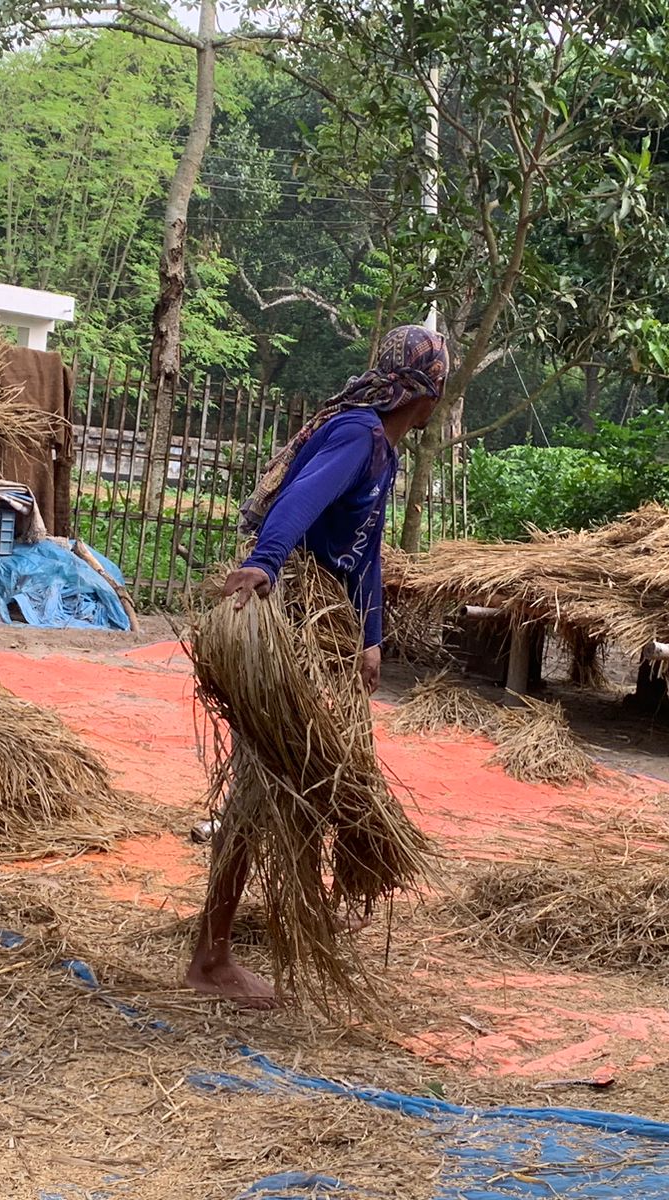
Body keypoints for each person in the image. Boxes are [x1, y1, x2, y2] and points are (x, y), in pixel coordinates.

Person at [185, 323, 450, 1007]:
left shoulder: (381, 449)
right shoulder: (359, 434)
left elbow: (365, 548)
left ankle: (295, 921)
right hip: (292, 624)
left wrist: (369, 635)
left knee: (302, 780)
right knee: (266, 781)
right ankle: (211, 956)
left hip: (326, 632)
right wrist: (264, 564)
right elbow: (298, 502)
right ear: (422, 391)